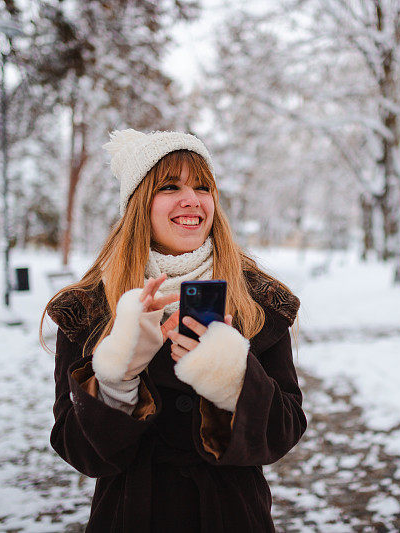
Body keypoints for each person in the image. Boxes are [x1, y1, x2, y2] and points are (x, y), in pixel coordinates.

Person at [39, 129, 306, 532]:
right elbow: (81, 453)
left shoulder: (258, 301)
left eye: (203, 186)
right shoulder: (89, 307)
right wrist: (118, 377)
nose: (192, 200)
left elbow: (283, 433)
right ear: (139, 205)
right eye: (169, 186)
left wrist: (234, 379)